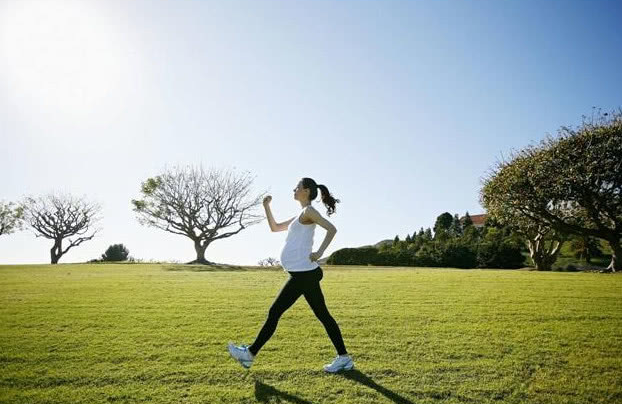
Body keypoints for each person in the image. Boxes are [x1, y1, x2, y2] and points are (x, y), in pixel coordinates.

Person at [227, 178, 354, 373]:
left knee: (275, 312)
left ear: (306, 191)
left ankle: (250, 354)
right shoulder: (300, 215)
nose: (293, 190)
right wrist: (266, 206)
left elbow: (332, 229)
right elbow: (275, 227)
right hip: (303, 274)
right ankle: (344, 358)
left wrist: (319, 253)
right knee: (322, 315)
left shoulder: (309, 211)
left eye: (297, 187)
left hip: (303, 274)